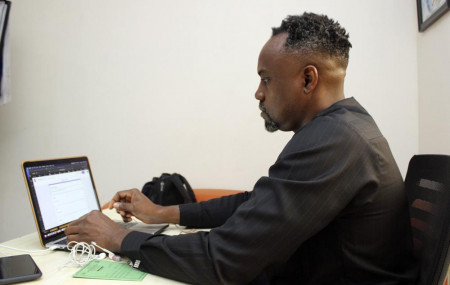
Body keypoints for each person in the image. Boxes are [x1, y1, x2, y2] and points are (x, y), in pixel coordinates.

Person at [66, 12, 417, 284]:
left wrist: (116, 238)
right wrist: (161, 212)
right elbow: (255, 203)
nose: (258, 93)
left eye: (266, 78)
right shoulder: (342, 128)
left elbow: (224, 260)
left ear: (308, 79)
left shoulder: (337, 141)